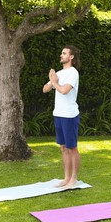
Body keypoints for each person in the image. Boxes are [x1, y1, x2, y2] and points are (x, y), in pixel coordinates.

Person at [43, 45, 81, 188]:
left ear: (71, 57)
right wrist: (51, 80)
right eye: (61, 53)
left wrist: (54, 82)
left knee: (72, 148)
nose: (61, 55)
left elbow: (64, 90)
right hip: (58, 114)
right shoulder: (59, 73)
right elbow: (45, 89)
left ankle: (74, 179)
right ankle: (66, 178)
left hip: (69, 116)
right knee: (63, 147)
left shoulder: (73, 73)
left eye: (64, 53)